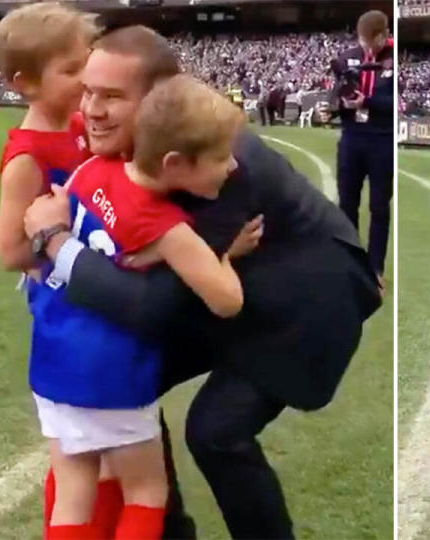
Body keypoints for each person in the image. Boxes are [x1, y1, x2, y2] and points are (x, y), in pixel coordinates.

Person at [23, 25, 381, 539]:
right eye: (89, 92)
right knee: (126, 375)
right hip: (235, 288)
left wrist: (55, 244)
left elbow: (150, 306)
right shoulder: (156, 145)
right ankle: (161, 527)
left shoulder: (212, 159)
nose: (92, 110)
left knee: (215, 431)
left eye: (112, 96)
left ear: (161, 99)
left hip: (302, 310)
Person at [0, 5, 102, 534]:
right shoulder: (27, 156)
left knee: (101, 459)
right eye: (72, 70)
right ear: (26, 83)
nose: (87, 80)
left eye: (88, 63)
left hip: (101, 297)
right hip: (68, 311)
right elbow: (11, 253)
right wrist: (61, 246)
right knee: (77, 458)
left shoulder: (83, 126)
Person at [324, 10, 394, 283]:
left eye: (369, 42)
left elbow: (397, 106)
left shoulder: (395, 59)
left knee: (379, 206)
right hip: (352, 137)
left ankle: (376, 267)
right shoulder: (346, 58)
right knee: (347, 202)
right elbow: (336, 94)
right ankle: (350, 262)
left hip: (382, 139)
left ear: (383, 36)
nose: (365, 47)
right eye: (361, 41)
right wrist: (333, 108)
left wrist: (367, 101)